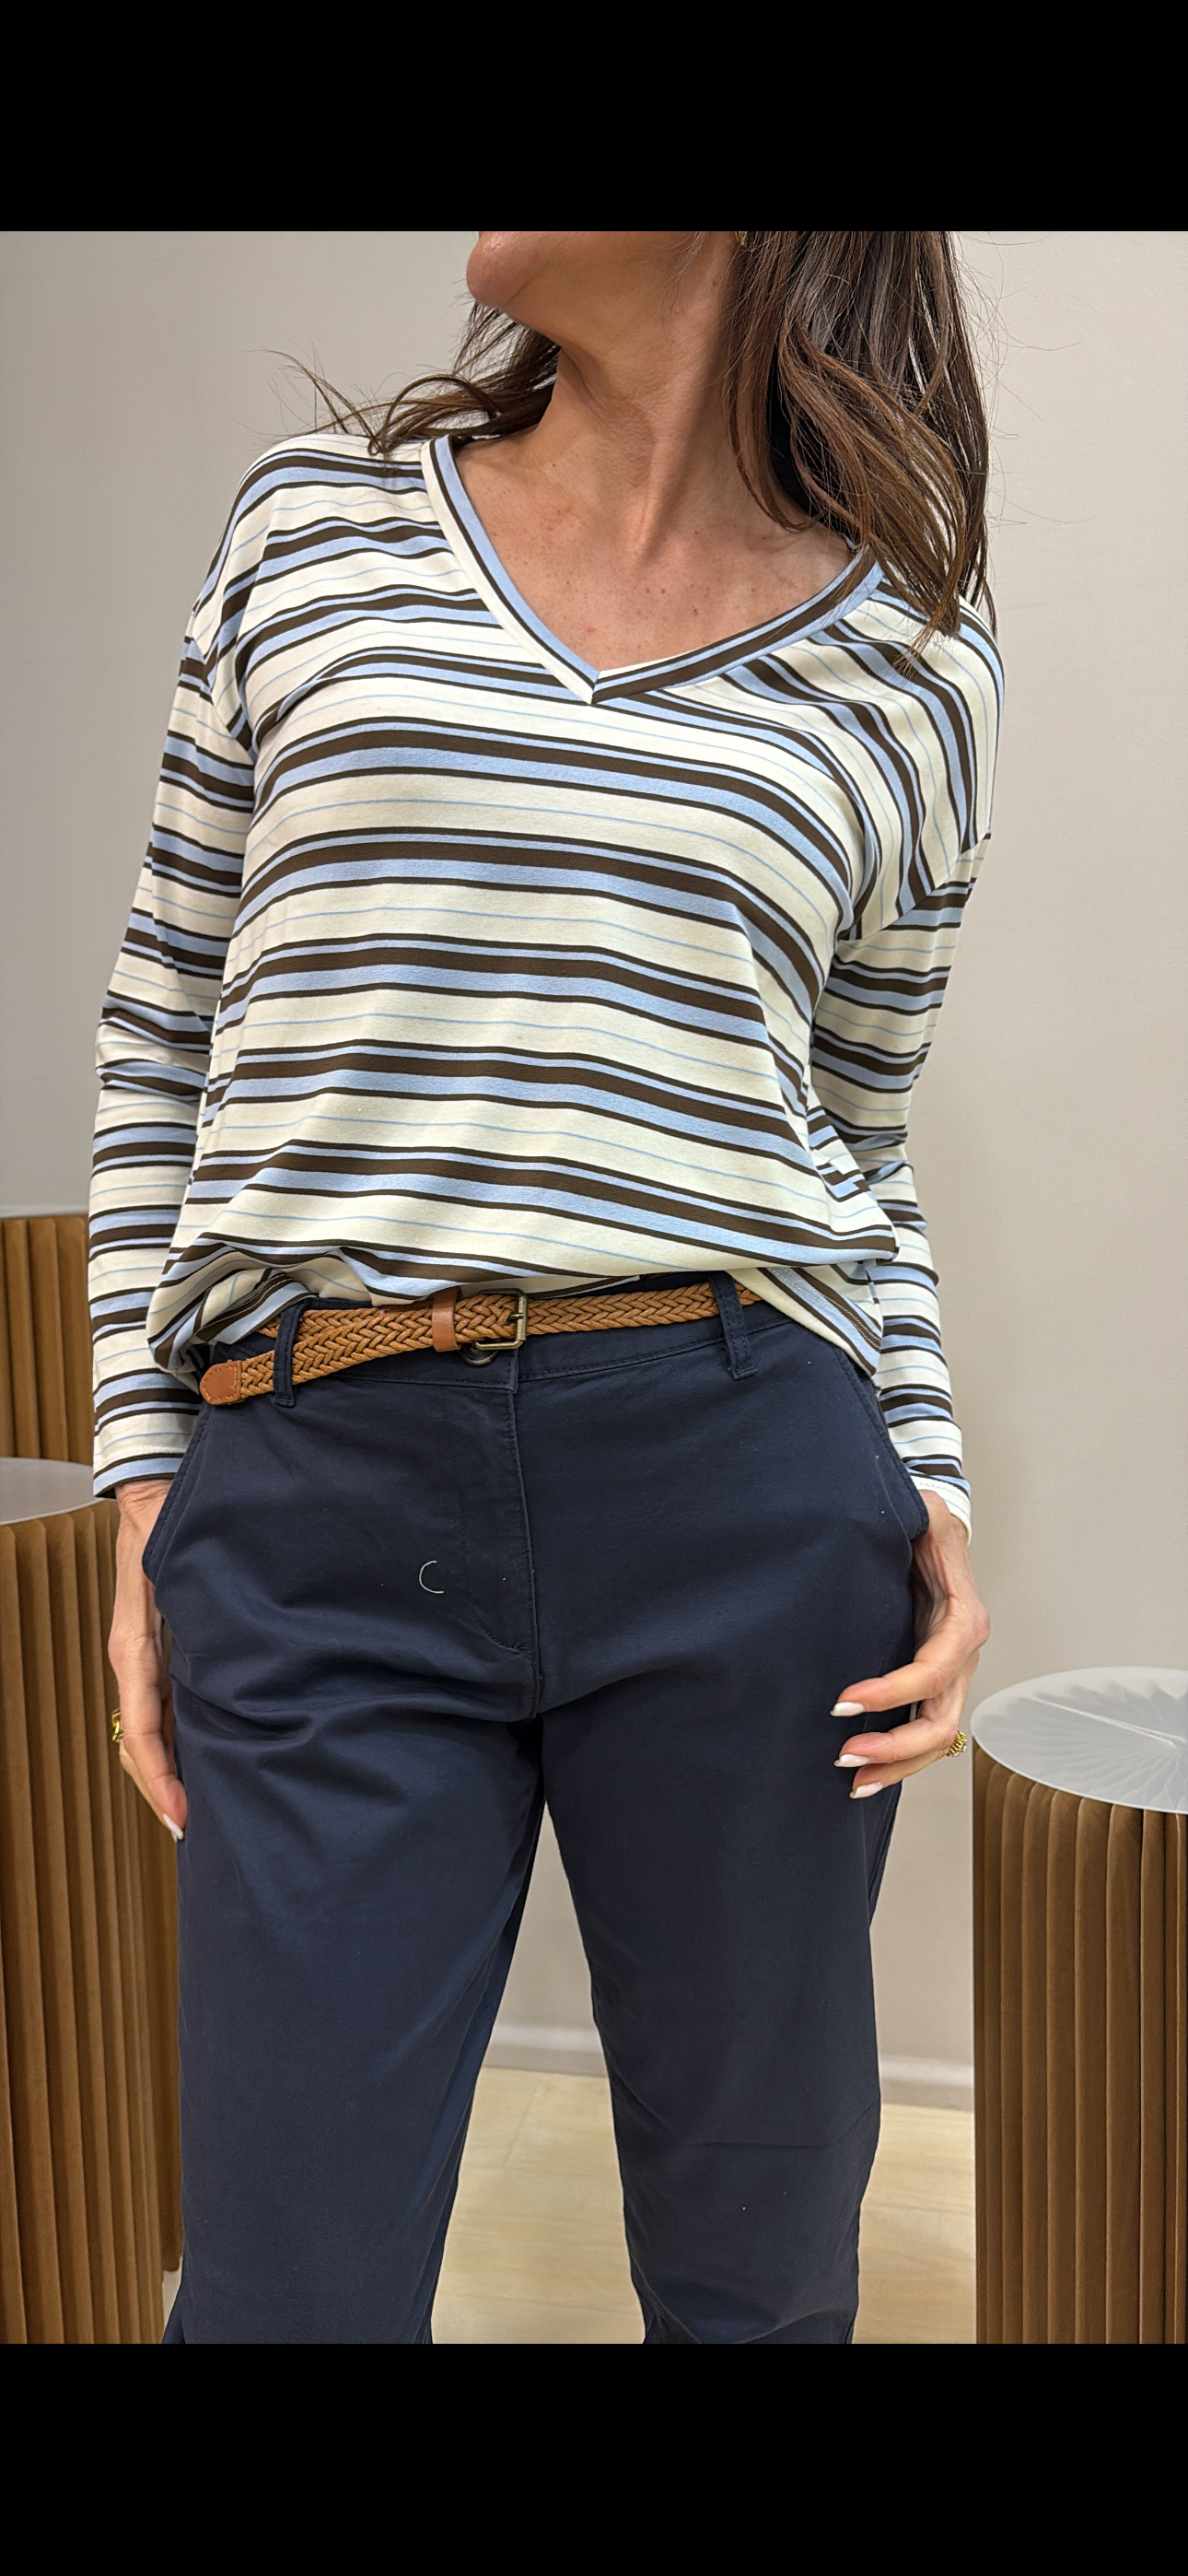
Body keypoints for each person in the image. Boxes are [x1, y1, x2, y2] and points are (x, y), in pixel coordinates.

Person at [94, 231, 998, 2344]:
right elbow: (164, 1038)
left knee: (759, 2284)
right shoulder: (310, 536)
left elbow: (856, 1142)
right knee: (282, 2300)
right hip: (318, 1494)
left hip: (745, 1493)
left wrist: (933, 1474)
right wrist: (145, 1475)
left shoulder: (912, 664)